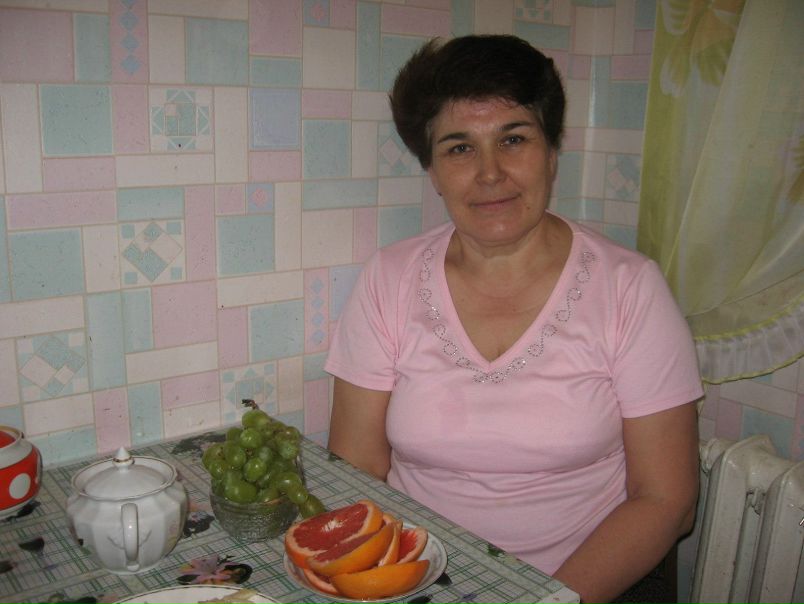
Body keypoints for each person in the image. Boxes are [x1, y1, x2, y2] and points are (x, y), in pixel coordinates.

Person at [325, 35, 702, 604]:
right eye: (459, 148)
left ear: (551, 153)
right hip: (416, 577)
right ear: (432, 170)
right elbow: (355, 470)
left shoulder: (631, 288)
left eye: (513, 139)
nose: (490, 173)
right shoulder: (389, 278)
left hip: (582, 587)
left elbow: (666, 501)